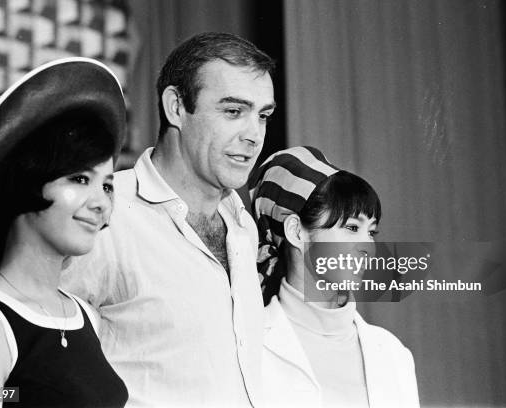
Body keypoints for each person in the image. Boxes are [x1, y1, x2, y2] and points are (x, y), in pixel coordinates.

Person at [60, 32, 276, 407]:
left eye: (263, 115)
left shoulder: (244, 227)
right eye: (233, 111)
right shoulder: (104, 217)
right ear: (176, 107)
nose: (253, 135)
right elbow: (22, 363)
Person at [0, 58, 128, 407]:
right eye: (80, 179)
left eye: (107, 185)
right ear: (29, 180)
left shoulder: (81, 315)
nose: (101, 203)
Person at [249, 146, 420, 408]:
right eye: (352, 228)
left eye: (371, 232)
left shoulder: (393, 354)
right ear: (297, 232)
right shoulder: (249, 348)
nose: (368, 246)